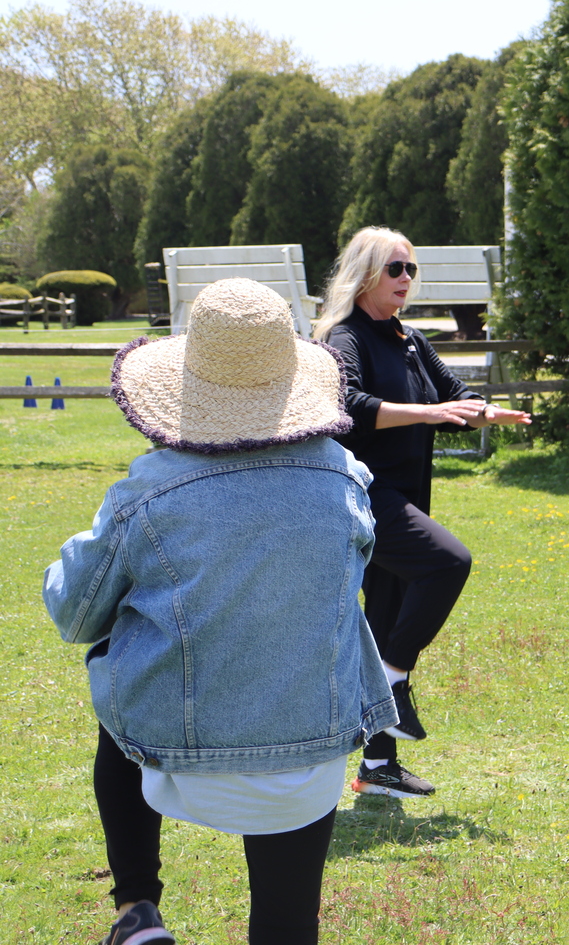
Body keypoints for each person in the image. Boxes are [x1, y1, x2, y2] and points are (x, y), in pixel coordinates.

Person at [44, 278, 399, 945]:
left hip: (172, 751)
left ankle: (136, 910)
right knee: (289, 922)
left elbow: (74, 615)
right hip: (312, 755)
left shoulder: (149, 488)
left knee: (109, 668)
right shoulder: (347, 478)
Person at [315, 226, 529, 798]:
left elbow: (453, 392)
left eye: (411, 269)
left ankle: (378, 767)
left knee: (385, 620)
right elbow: (350, 408)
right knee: (448, 562)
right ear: (365, 274)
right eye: (395, 269)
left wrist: (487, 413)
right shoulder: (346, 337)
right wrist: (429, 414)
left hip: (406, 496)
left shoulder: (408, 339)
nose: (406, 279)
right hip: (367, 496)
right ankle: (393, 680)